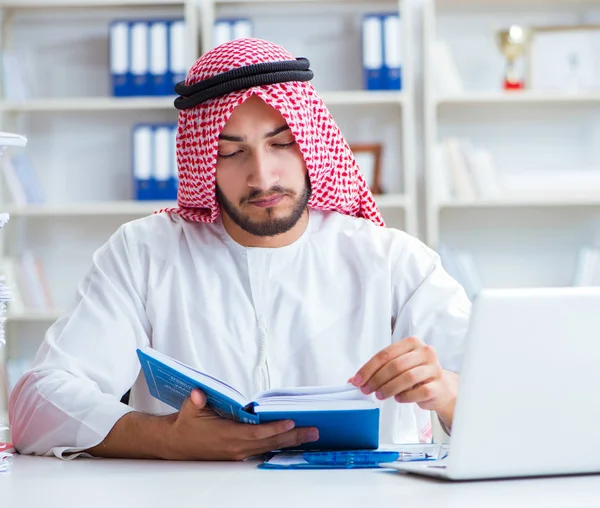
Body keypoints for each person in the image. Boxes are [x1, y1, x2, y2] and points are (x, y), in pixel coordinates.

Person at [9, 38, 470, 461]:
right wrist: (165, 438)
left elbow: (520, 403)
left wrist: (448, 393)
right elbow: (37, 403)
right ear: (203, 160)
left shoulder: (394, 261)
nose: (263, 177)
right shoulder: (144, 252)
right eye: (232, 153)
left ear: (310, 145)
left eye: (282, 143)